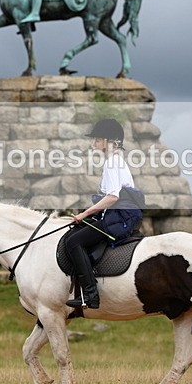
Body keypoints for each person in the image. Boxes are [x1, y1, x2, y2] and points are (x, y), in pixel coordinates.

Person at [64, 118, 143, 309]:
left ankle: (90, 295)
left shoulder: (112, 162)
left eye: (98, 140)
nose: (94, 144)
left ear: (111, 141)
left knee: (73, 242)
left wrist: (84, 215)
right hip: (121, 215)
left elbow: (112, 197)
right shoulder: (116, 161)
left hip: (119, 216)